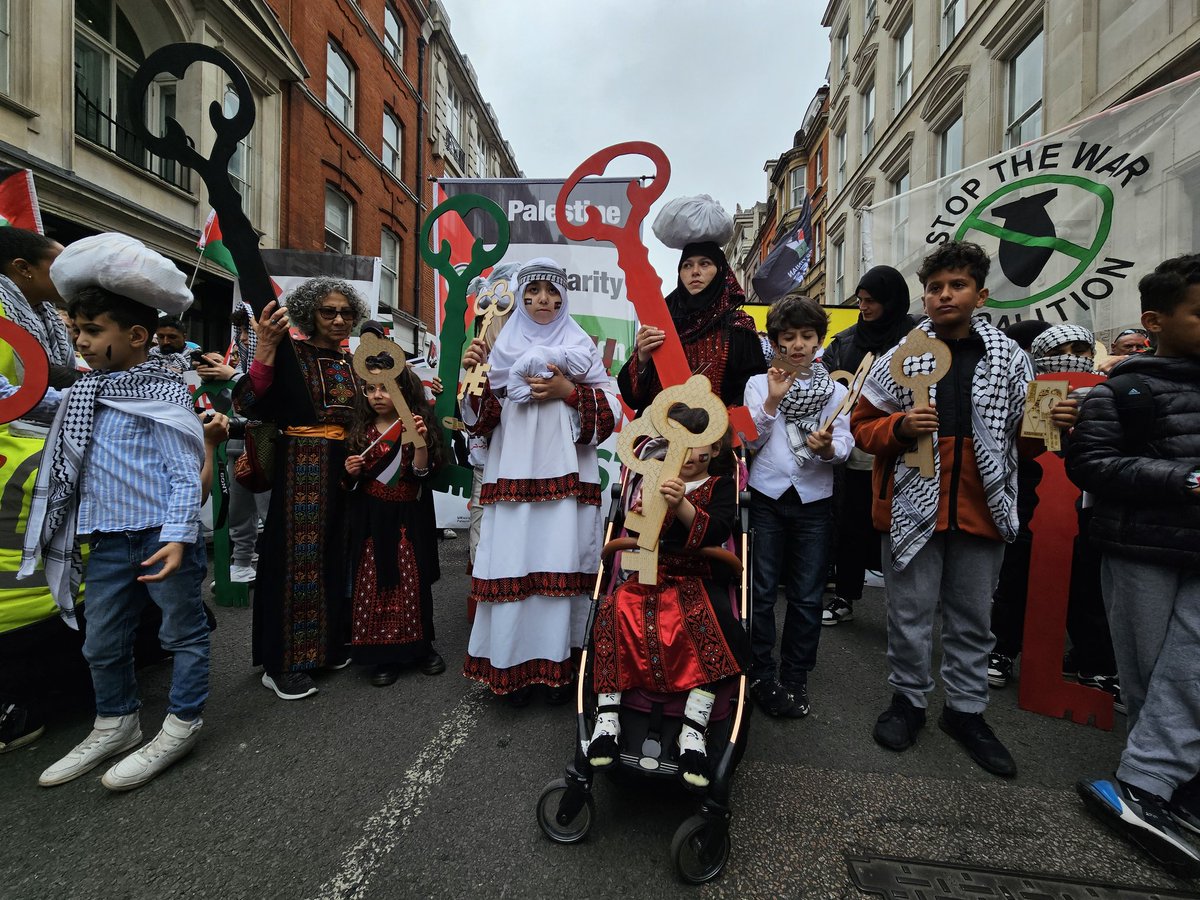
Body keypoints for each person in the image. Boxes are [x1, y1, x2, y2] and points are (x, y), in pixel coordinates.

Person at [851, 241, 1072, 779]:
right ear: (924, 297)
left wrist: (1051, 424)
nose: (945, 295)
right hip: (910, 507)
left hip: (983, 508)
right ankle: (908, 702)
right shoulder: (897, 357)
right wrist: (900, 428)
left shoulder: (1013, 359)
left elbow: (1025, 444)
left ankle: (967, 712)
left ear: (981, 293)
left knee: (974, 618)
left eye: (957, 286)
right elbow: (861, 428)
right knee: (908, 614)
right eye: (935, 288)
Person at [19, 232, 209, 791]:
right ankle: (116, 722)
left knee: (182, 633)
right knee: (100, 638)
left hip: (159, 537)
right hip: (104, 539)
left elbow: (182, 472)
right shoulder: (83, 393)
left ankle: (183, 720)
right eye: (77, 330)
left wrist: (178, 536)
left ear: (136, 335)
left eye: (92, 331)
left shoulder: (167, 395)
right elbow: (26, 394)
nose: (80, 341)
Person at [1071, 254, 1200, 878]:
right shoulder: (1122, 389)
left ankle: (1155, 779)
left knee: (1191, 668)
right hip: (1141, 548)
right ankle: (1155, 783)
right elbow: (1092, 464)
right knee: (1148, 667)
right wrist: (1183, 480)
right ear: (1155, 320)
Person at [461, 258, 619, 706]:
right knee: (513, 563)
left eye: (552, 292)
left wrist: (568, 391)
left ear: (564, 297)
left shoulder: (580, 349)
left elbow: (612, 412)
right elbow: (479, 420)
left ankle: (562, 667)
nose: (542, 300)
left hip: (567, 484)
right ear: (520, 297)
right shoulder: (497, 350)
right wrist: (473, 377)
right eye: (532, 292)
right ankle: (511, 668)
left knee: (561, 565)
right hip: (511, 480)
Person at [588, 404, 749, 788]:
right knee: (616, 609)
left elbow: (716, 530)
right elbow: (637, 529)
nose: (692, 455)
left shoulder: (721, 484)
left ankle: (694, 728)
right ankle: (607, 718)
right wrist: (644, 511)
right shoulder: (654, 475)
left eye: (701, 446)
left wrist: (683, 505)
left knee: (708, 622)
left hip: (698, 571)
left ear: (714, 449)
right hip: (651, 568)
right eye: (681, 444)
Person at [233, 278, 367, 701]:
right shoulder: (293, 354)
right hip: (303, 464)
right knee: (296, 560)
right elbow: (248, 403)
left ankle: (323, 648)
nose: (339, 319)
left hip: (344, 464)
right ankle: (283, 662)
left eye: (346, 312)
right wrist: (267, 349)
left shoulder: (352, 362)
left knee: (335, 555)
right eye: (329, 311)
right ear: (310, 313)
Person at [987, 324, 1120, 704]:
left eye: (1081, 348)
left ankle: (1092, 660)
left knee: (1086, 582)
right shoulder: (1033, 391)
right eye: (1065, 348)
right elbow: (1030, 448)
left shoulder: (1102, 393)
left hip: (1085, 502)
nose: (1075, 355)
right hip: (1033, 497)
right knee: (1017, 576)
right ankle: (1002, 649)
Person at [744, 296, 853, 717]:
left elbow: (844, 445)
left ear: (819, 340)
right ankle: (760, 671)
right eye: (788, 337)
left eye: (807, 336)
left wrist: (827, 448)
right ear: (774, 342)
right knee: (761, 591)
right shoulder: (758, 383)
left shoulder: (836, 390)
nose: (798, 345)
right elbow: (749, 440)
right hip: (767, 496)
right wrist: (772, 401)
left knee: (807, 597)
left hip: (814, 501)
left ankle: (795, 675)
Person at [343, 341, 445, 686]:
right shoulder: (359, 432)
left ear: (401, 389)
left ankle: (421, 647)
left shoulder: (414, 425)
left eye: (385, 388)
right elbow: (348, 484)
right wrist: (352, 472)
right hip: (372, 520)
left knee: (412, 582)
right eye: (370, 388)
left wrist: (418, 442)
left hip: (408, 517)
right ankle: (381, 655)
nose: (376, 395)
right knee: (374, 583)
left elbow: (422, 473)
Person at [820, 265, 916, 626]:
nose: (864, 307)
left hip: (902, 449)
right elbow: (829, 385)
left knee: (899, 525)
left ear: (891, 301)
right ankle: (845, 593)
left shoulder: (916, 338)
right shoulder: (844, 341)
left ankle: (906, 605)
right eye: (860, 300)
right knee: (851, 522)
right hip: (857, 448)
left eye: (871, 301)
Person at [617, 242, 765, 414]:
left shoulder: (738, 328)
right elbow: (632, 398)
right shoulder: (662, 324)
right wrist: (642, 359)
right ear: (680, 273)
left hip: (719, 436)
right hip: (657, 435)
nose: (695, 271)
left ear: (721, 271)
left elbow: (754, 392)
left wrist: (719, 429)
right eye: (687, 265)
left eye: (704, 263)